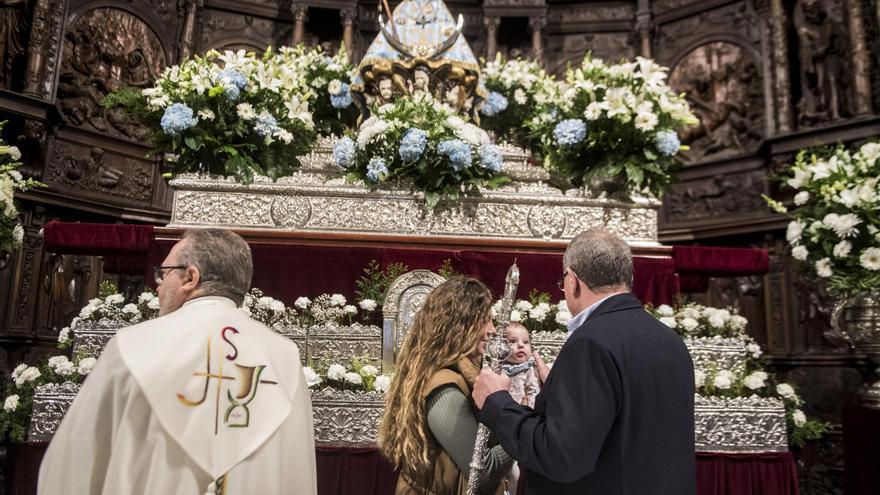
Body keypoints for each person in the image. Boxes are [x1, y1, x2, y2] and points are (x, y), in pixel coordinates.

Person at [38, 229, 317, 495]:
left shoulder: (134, 345)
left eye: (164, 274)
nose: (158, 286)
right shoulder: (284, 357)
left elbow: (75, 462)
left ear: (190, 278)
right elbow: (297, 472)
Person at [472, 228, 696, 495]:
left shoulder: (591, 342)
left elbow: (562, 456)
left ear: (573, 280)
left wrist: (498, 403)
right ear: (630, 278)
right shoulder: (670, 340)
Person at [378, 276, 514, 495]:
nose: (491, 330)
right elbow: (483, 472)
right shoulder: (443, 387)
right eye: (485, 320)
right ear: (461, 324)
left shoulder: (463, 373)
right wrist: (521, 430)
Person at [501, 323, 543, 409]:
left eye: (525, 342)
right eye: (512, 341)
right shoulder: (499, 367)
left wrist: (528, 409)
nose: (521, 345)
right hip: (503, 409)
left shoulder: (529, 368)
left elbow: (533, 391)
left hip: (524, 411)